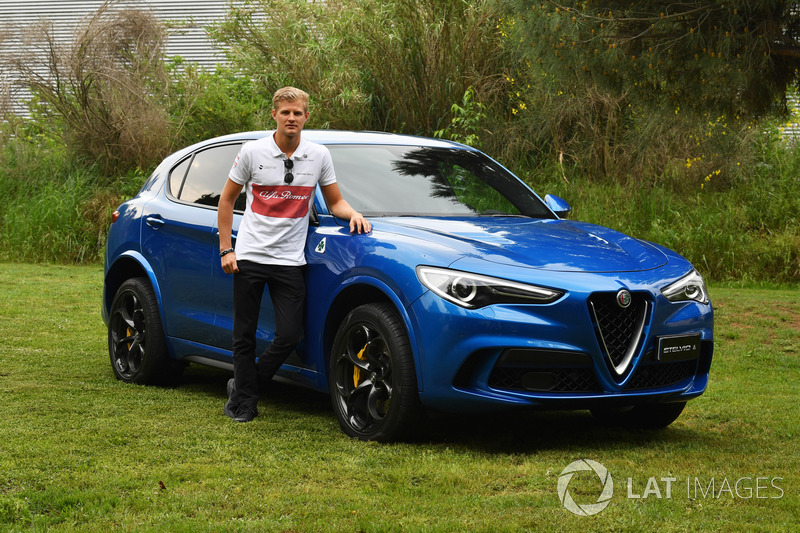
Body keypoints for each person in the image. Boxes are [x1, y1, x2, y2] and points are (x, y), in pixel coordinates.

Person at [217, 87, 371, 423]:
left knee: (289, 335)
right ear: (274, 115)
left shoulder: (318, 155)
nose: (291, 118)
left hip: (290, 260)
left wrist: (353, 214)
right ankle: (244, 405)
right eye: (285, 112)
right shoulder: (252, 152)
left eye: (297, 113)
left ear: (306, 117)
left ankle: (246, 386)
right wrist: (226, 248)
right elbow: (226, 200)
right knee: (243, 335)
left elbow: (335, 203)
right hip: (251, 256)